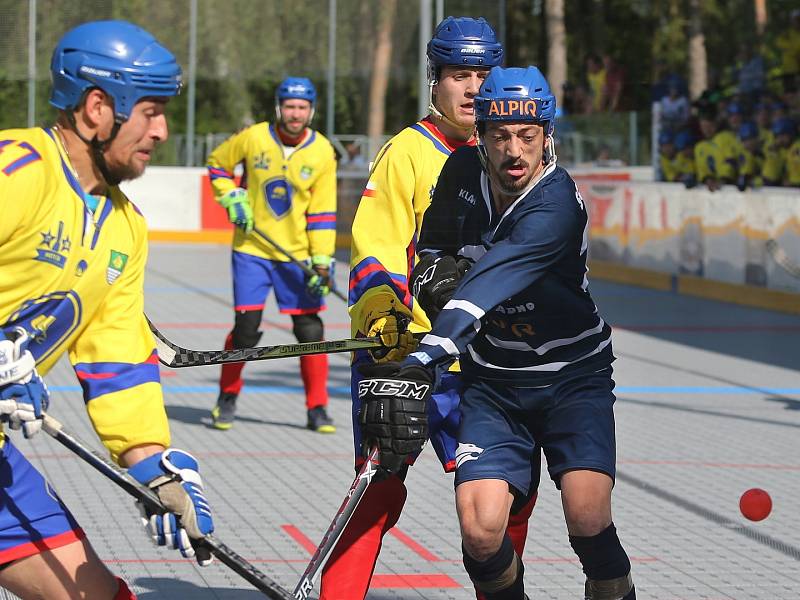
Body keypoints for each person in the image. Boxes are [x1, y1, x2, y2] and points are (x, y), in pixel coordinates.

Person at [358, 65, 636, 599]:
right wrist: (435, 279)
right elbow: (432, 252)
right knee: (481, 531)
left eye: (528, 137)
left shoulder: (557, 203)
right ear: (481, 136)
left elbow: (496, 276)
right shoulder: (462, 172)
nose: (514, 151)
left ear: (547, 137)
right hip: (495, 383)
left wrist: (427, 354)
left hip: (572, 377)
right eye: (501, 136)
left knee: (586, 516)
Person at [0, 20, 215, 599]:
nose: (163, 130)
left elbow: (116, 363)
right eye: (150, 111)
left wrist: (155, 471)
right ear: (98, 107)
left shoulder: (125, 228)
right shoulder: (16, 170)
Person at [325, 17, 537, 600]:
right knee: (379, 488)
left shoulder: (518, 156)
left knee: (504, 494)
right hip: (406, 356)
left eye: (483, 74)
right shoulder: (408, 154)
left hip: (485, 366)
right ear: (435, 82)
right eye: (458, 75)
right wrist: (384, 323)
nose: (472, 88)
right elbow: (374, 249)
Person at [206, 77, 338, 432]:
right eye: (290, 106)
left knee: (310, 330)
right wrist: (231, 195)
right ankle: (227, 397)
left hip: (296, 254)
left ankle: (317, 407)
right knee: (246, 329)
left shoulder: (322, 151)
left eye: (302, 107)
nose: (296, 114)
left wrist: (322, 261)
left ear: (311, 111)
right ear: (279, 108)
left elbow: (323, 212)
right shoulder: (253, 138)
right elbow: (217, 165)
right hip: (252, 249)